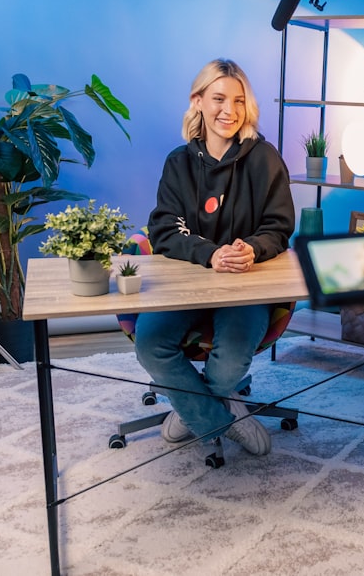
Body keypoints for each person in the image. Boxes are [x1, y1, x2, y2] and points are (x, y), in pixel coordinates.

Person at [135, 58, 295, 456]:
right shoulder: (179, 163)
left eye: (238, 101)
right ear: (198, 101)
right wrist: (211, 255)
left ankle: (191, 406)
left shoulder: (265, 158)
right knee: (149, 343)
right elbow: (164, 230)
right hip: (186, 284)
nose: (229, 110)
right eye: (219, 99)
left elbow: (278, 227)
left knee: (227, 365)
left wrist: (252, 249)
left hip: (245, 285)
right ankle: (218, 418)